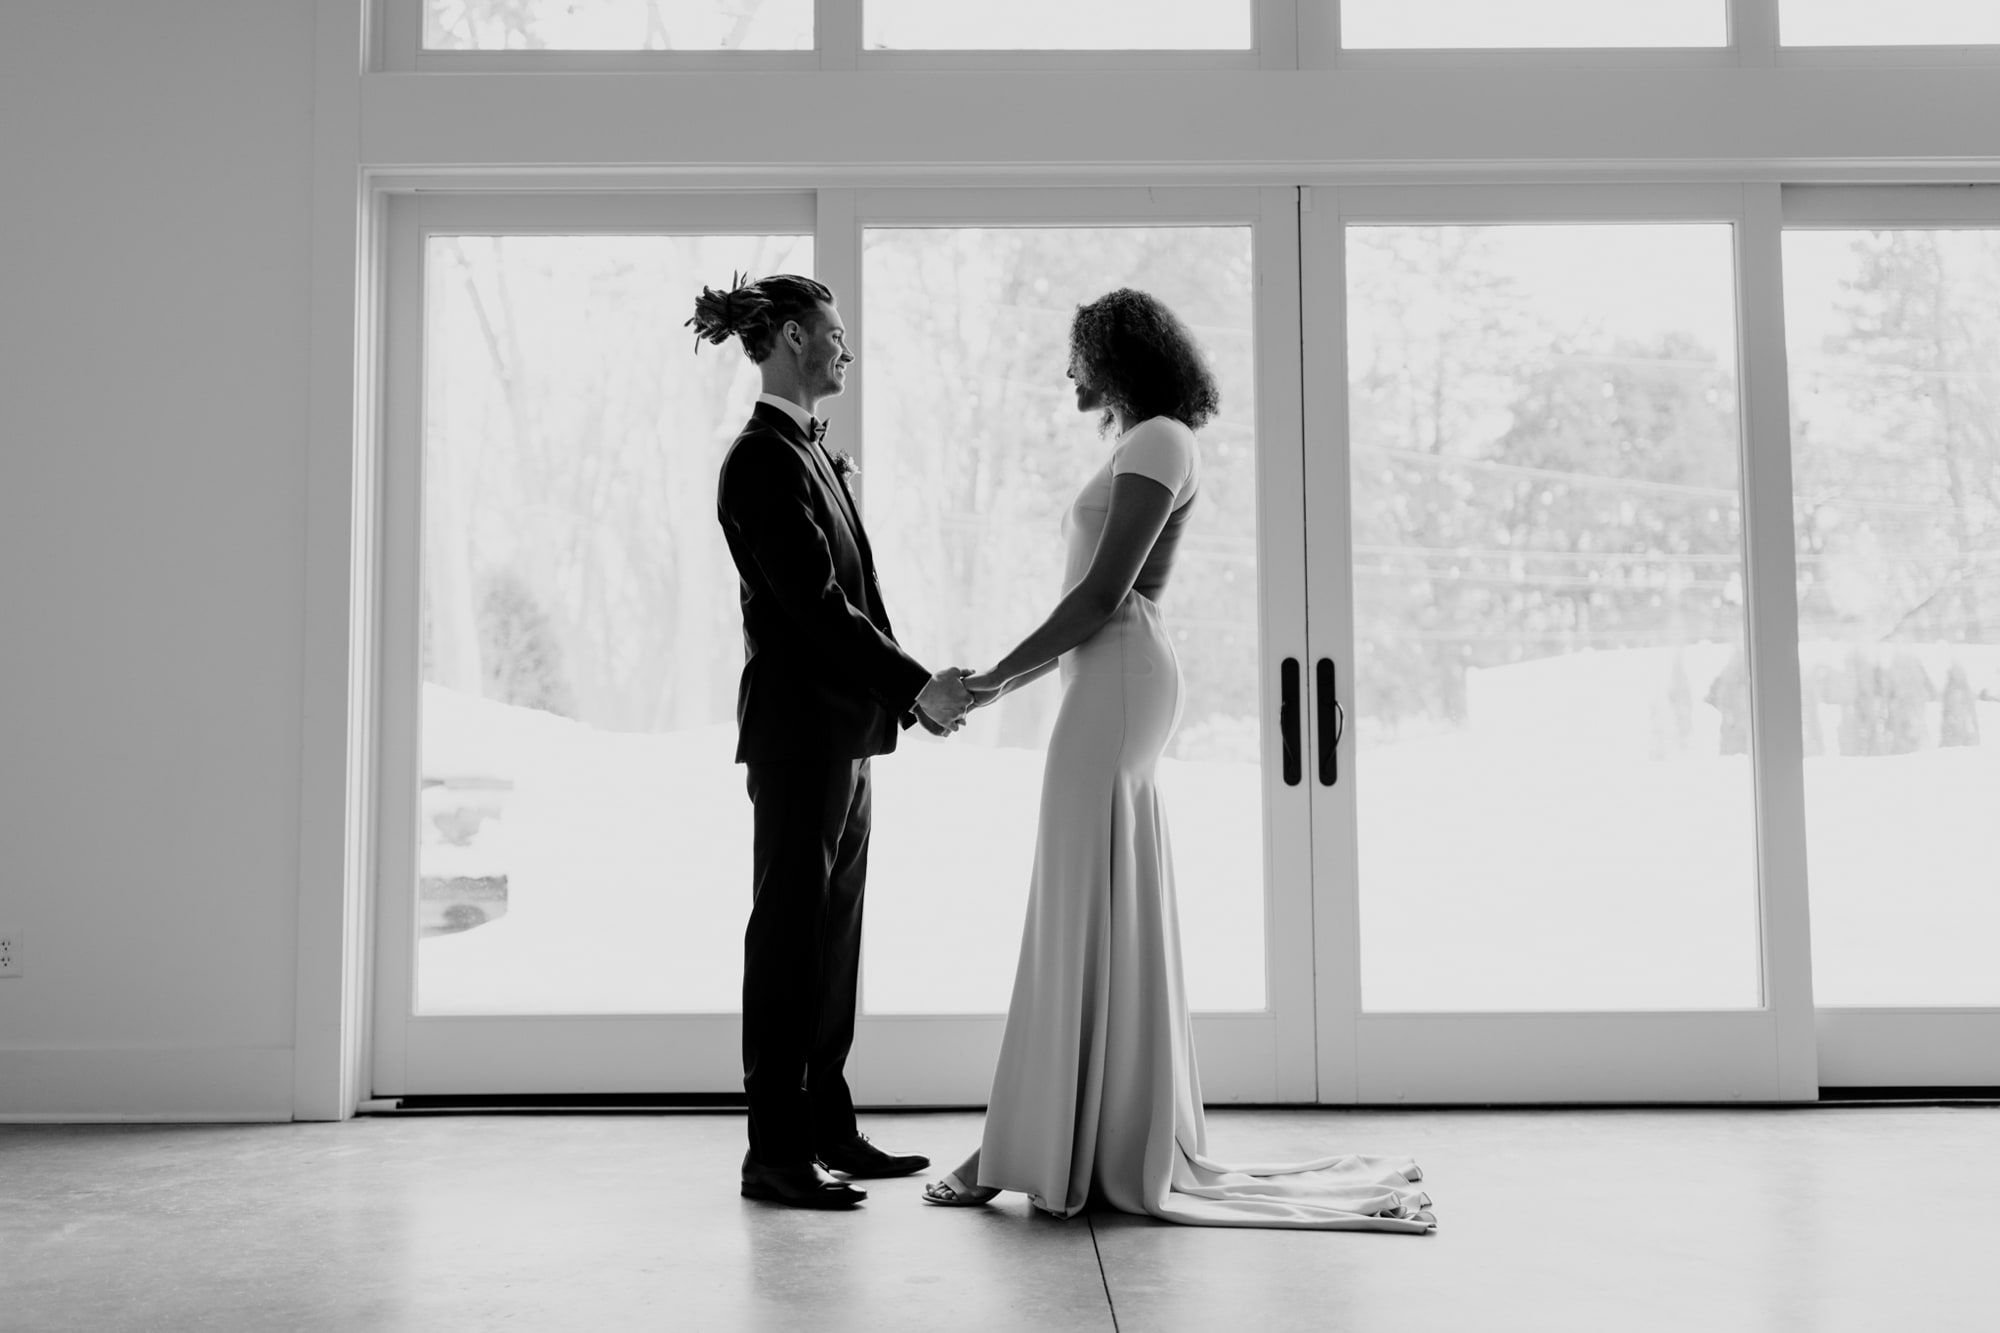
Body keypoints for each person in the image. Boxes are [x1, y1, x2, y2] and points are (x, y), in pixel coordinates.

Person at [922, 289, 1435, 1232]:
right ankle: (1069, 1135)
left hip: (1116, 677)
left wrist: (990, 681)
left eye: (1076, 354)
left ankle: (1034, 1144)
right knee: (1088, 906)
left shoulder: (1158, 439)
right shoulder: (1141, 441)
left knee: (1075, 906)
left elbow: (1101, 594)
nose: (1067, 374)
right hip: (1107, 680)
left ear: (1114, 354)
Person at [689, 272, 974, 1210]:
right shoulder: (759, 460)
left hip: (846, 738)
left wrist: (901, 701)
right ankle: (773, 1153)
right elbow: (815, 609)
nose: (846, 346)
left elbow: (859, 602)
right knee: (788, 942)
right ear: (786, 341)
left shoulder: (814, 452)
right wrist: (916, 683)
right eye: (833, 331)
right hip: (797, 738)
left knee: (834, 940)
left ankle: (826, 1127)